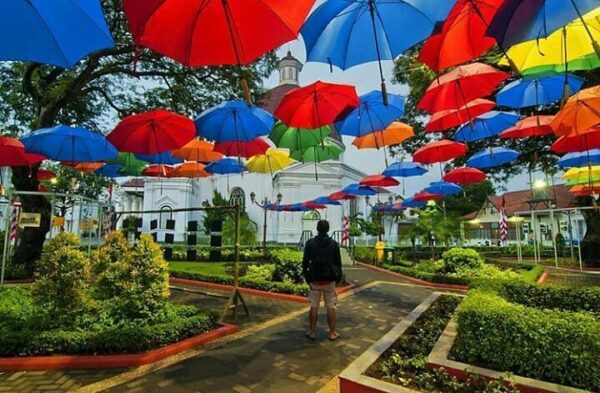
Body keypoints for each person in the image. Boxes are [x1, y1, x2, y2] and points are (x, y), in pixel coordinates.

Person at [302, 219, 342, 341]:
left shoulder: (310, 243)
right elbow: (338, 263)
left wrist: (307, 276)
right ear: (328, 229)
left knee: (313, 306)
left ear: (317, 229)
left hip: (315, 279)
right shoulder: (334, 244)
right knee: (331, 306)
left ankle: (312, 332)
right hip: (329, 279)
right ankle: (332, 333)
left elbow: (304, 262)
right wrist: (338, 278)